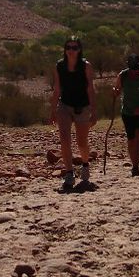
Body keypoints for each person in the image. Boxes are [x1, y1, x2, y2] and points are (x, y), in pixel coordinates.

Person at [50, 36, 96, 192]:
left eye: (74, 48)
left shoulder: (86, 66)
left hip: (82, 107)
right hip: (65, 105)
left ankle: (84, 164)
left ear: (79, 50)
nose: (71, 50)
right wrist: (53, 110)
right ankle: (69, 172)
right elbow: (57, 89)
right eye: (68, 47)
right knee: (64, 139)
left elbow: (90, 88)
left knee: (81, 141)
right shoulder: (59, 66)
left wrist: (94, 110)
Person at [112, 54, 139, 176]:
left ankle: (137, 164)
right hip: (127, 112)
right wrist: (115, 92)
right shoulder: (123, 75)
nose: (134, 73)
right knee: (131, 139)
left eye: (136, 70)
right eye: (132, 70)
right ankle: (134, 164)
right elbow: (117, 89)